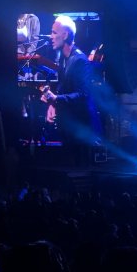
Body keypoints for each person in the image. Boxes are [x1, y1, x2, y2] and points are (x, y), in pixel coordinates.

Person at [40, 14, 100, 167]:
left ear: (65, 35)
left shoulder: (80, 60)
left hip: (81, 128)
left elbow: (83, 94)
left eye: (54, 32)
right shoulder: (63, 58)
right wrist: (52, 104)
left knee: (79, 168)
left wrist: (56, 99)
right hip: (69, 126)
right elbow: (62, 87)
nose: (51, 36)